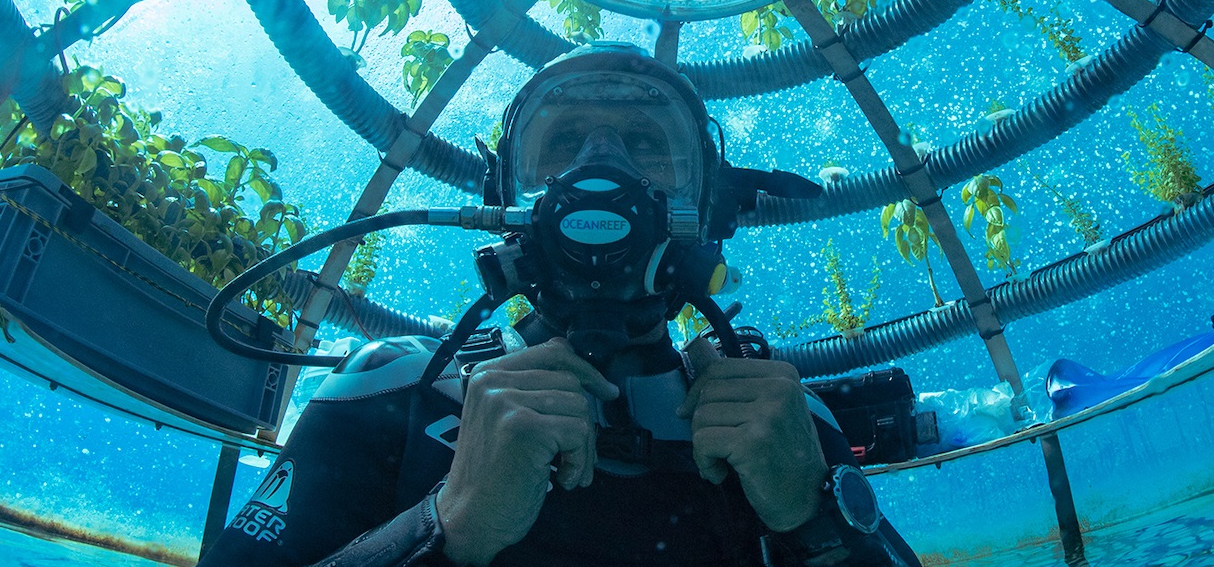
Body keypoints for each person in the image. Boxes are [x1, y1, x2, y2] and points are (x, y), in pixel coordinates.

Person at [200, 45, 920, 567]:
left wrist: (817, 516)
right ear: (503, 201)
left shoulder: (793, 420)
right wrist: (448, 525)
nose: (602, 166)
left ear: (708, 205)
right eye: (564, 142)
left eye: (644, 143)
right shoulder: (393, 384)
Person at [1038, 310, 1214, 419]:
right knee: (1144, 373)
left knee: (1140, 373)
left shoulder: (1059, 396)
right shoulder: (1066, 396)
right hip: (1064, 387)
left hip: (1064, 385)